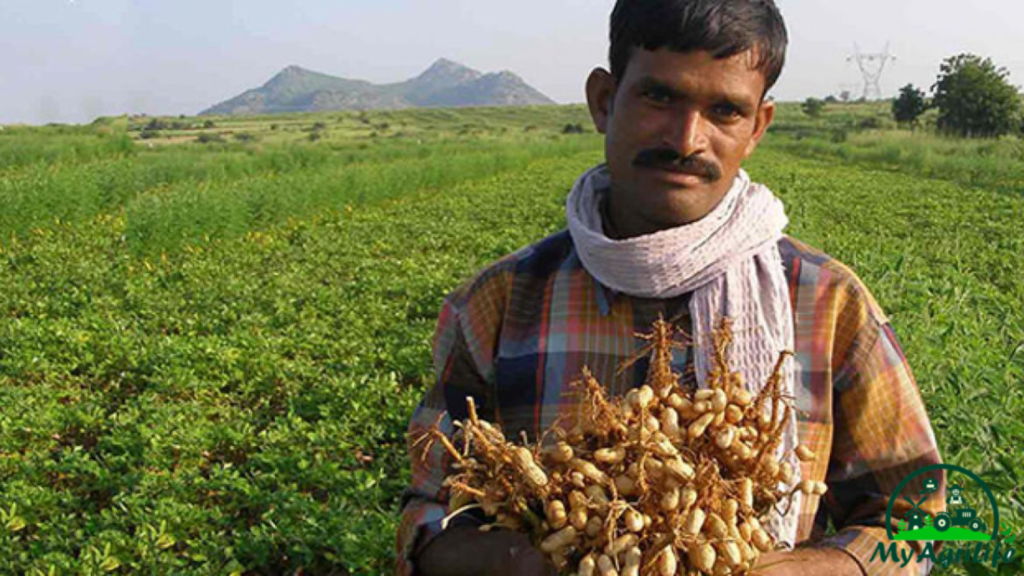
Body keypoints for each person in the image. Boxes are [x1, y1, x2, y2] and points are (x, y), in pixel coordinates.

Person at [396, 1, 945, 574]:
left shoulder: (828, 302)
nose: (687, 140)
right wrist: (509, 559)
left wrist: (818, 569)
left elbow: (925, 520)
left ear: (757, 127)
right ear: (604, 102)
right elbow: (428, 511)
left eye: (725, 111)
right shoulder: (499, 302)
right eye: (660, 97)